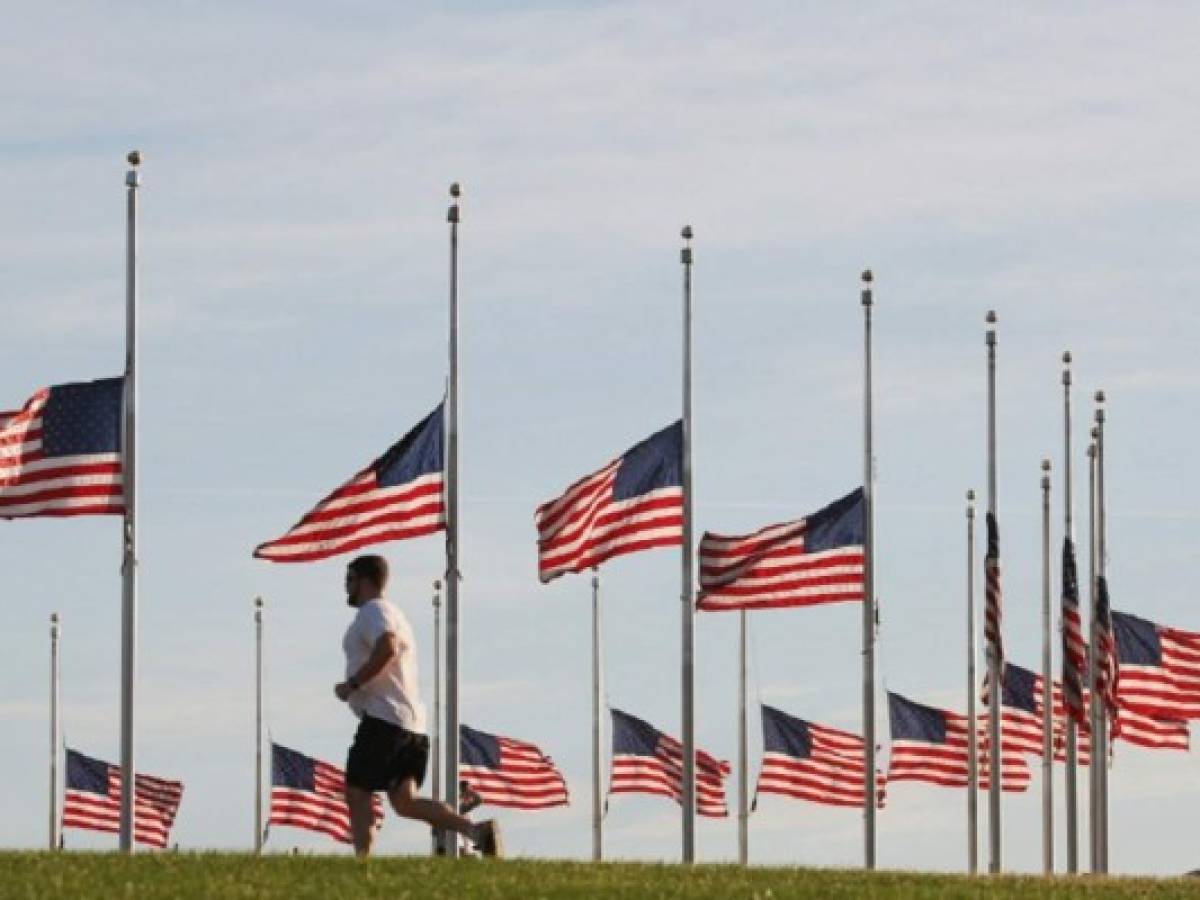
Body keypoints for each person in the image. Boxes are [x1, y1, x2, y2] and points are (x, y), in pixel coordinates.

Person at [334, 554, 501, 857]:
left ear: (366, 580)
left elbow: (388, 647)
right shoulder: (393, 614)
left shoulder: (374, 610)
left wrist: (352, 685)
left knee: (357, 791)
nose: (346, 587)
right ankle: (475, 830)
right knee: (405, 802)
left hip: (384, 720)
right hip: (411, 726)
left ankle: (362, 864)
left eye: (350, 580)